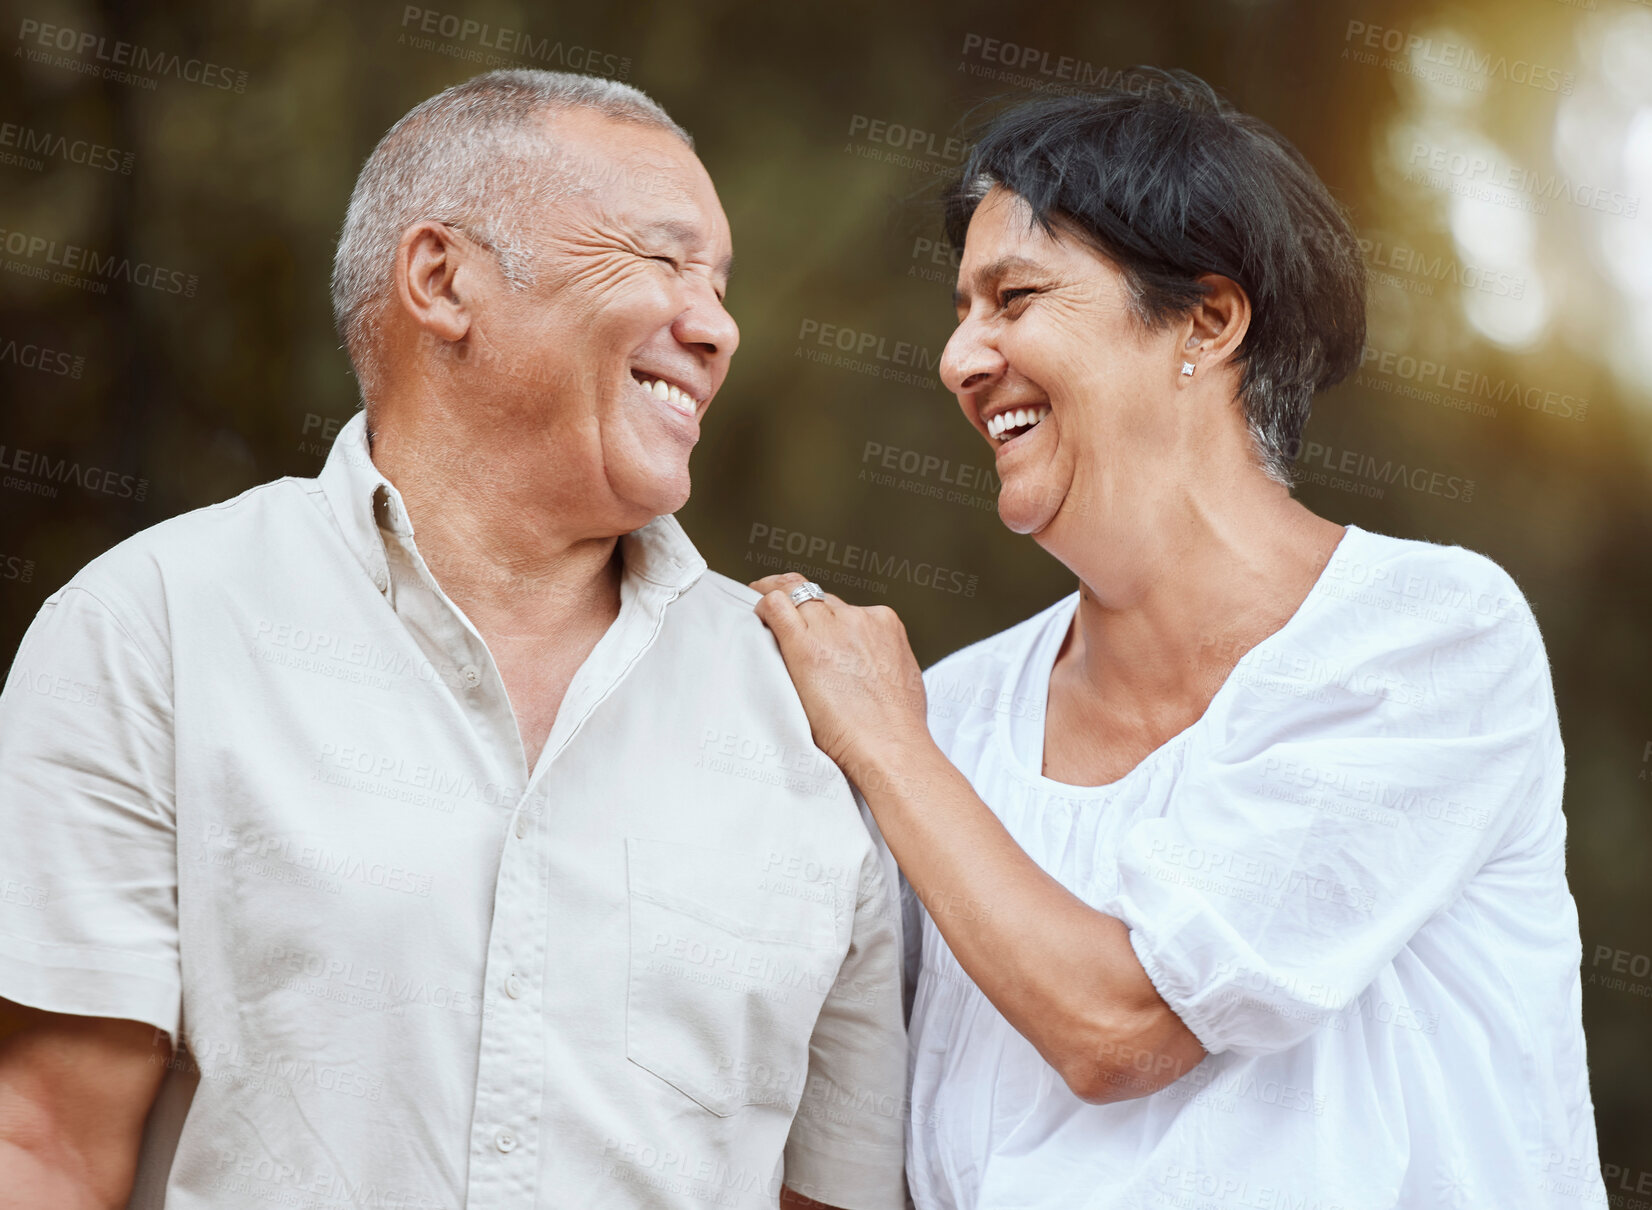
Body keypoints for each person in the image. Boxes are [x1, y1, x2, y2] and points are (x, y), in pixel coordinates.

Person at [0, 70, 906, 1210]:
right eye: (663, 260)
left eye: (721, 283)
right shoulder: (155, 628)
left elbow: (829, 1192)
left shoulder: (808, 707)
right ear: (441, 278)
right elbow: (43, 1148)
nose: (716, 325)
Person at [751, 70, 1607, 1209]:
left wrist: (880, 743)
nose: (958, 359)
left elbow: (1125, 1025)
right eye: (959, 312)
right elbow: (851, 1138)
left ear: (1206, 320)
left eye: (1011, 298)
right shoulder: (949, 715)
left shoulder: (1426, 638)